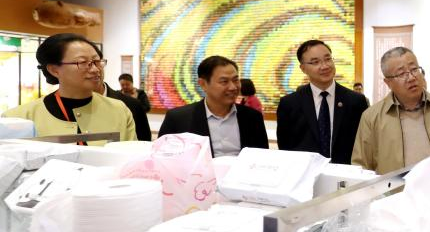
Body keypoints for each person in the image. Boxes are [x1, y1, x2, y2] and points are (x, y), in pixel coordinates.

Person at [352, 47, 430, 175]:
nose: (412, 78)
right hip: (395, 188)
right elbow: (361, 167)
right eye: (402, 74)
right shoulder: (371, 117)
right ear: (388, 82)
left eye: (414, 69)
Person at [3, 33, 136, 145]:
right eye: (83, 62)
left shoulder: (119, 110)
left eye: (97, 62)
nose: (95, 69)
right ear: (54, 70)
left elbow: (133, 160)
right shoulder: (18, 118)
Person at [276, 40, 368, 164]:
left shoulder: (355, 101)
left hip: (344, 172)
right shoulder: (289, 104)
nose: (325, 66)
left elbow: (363, 145)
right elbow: (285, 147)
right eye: (315, 62)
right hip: (305, 172)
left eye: (328, 59)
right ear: (303, 68)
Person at [158, 56, 268, 157]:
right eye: (224, 81)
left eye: (235, 80)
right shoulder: (178, 119)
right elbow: (163, 159)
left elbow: (262, 158)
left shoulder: (253, 117)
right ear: (203, 84)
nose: (233, 87)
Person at [92, 60, 152, 142]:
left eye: (127, 84)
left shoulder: (139, 95)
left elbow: (146, 108)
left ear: (132, 83)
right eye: (122, 85)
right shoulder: (117, 95)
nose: (125, 87)